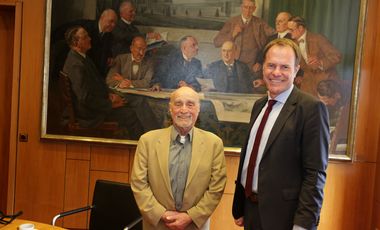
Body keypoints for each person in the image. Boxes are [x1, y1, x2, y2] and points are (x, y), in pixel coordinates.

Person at [232, 38, 329, 230]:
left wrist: (303, 224)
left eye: (284, 67)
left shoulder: (311, 108)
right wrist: (241, 205)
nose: (276, 73)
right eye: (271, 65)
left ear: (296, 69)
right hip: (252, 211)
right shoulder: (259, 106)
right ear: (263, 68)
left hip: (285, 218)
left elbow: (315, 174)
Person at [131, 86, 227, 230]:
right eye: (178, 104)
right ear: (170, 109)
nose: (184, 110)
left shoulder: (214, 144)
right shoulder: (147, 141)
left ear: (198, 109)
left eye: (190, 104)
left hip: (194, 225)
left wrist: (191, 216)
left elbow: (216, 188)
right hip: (157, 224)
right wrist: (162, 214)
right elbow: (139, 183)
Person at [62, 26, 144, 139]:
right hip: (88, 114)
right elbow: (85, 98)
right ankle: (139, 149)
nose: (90, 39)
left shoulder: (81, 58)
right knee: (130, 115)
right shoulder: (76, 65)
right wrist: (110, 104)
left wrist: (110, 95)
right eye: (85, 37)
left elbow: (97, 84)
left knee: (130, 104)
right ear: (76, 42)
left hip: (93, 107)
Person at [213, 0, 275, 73]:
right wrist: (232, 34)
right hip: (235, 63)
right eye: (245, 7)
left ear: (254, 9)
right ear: (241, 7)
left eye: (251, 8)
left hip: (253, 65)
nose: (248, 10)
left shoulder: (260, 23)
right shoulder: (232, 22)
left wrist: (260, 61)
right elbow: (216, 42)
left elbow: (275, 34)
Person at [51, 9, 118, 77]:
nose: (113, 25)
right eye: (111, 21)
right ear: (102, 17)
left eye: (115, 23)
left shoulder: (109, 36)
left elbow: (106, 52)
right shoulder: (85, 26)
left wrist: (110, 57)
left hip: (91, 71)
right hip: (73, 67)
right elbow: (61, 31)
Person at [288, 16, 342, 96]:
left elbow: (337, 56)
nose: (289, 32)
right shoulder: (293, 44)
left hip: (326, 82)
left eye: (291, 30)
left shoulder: (318, 38)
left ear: (300, 28)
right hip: (307, 84)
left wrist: (320, 62)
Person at [254, 11, 294, 92]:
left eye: (281, 21)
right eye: (276, 21)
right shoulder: (271, 38)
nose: (277, 23)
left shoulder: (292, 39)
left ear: (288, 23)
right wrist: (258, 62)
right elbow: (263, 52)